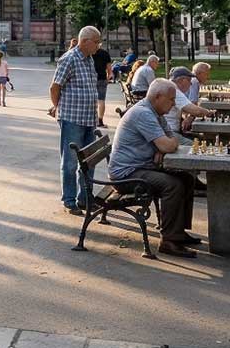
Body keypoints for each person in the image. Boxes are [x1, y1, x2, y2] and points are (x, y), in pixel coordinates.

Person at [109, 78, 199, 258]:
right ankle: (168, 240)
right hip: (126, 174)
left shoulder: (155, 112)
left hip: (140, 167)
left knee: (187, 179)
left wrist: (164, 145)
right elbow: (168, 144)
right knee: (172, 185)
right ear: (158, 97)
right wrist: (163, 146)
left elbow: (169, 138)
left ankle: (178, 231)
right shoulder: (143, 113)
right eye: (171, 99)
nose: (174, 104)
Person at [49, 26, 102, 214]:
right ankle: (69, 200)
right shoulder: (69, 59)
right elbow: (55, 87)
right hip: (72, 118)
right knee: (70, 162)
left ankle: (85, 198)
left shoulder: (89, 59)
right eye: (96, 42)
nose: (99, 45)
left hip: (88, 118)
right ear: (85, 41)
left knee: (89, 162)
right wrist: (59, 108)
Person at [167, 67, 211, 144]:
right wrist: (209, 112)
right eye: (189, 81)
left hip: (170, 130)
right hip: (170, 132)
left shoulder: (170, 87)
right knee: (194, 145)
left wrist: (188, 117)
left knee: (201, 138)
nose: (191, 84)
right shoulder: (174, 91)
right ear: (183, 80)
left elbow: (184, 110)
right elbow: (196, 111)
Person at [91, 42, 112, 127]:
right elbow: (109, 70)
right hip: (102, 78)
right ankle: (100, 121)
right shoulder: (105, 53)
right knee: (101, 100)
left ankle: (91, 119)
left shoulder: (90, 53)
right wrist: (107, 78)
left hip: (91, 78)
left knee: (91, 100)